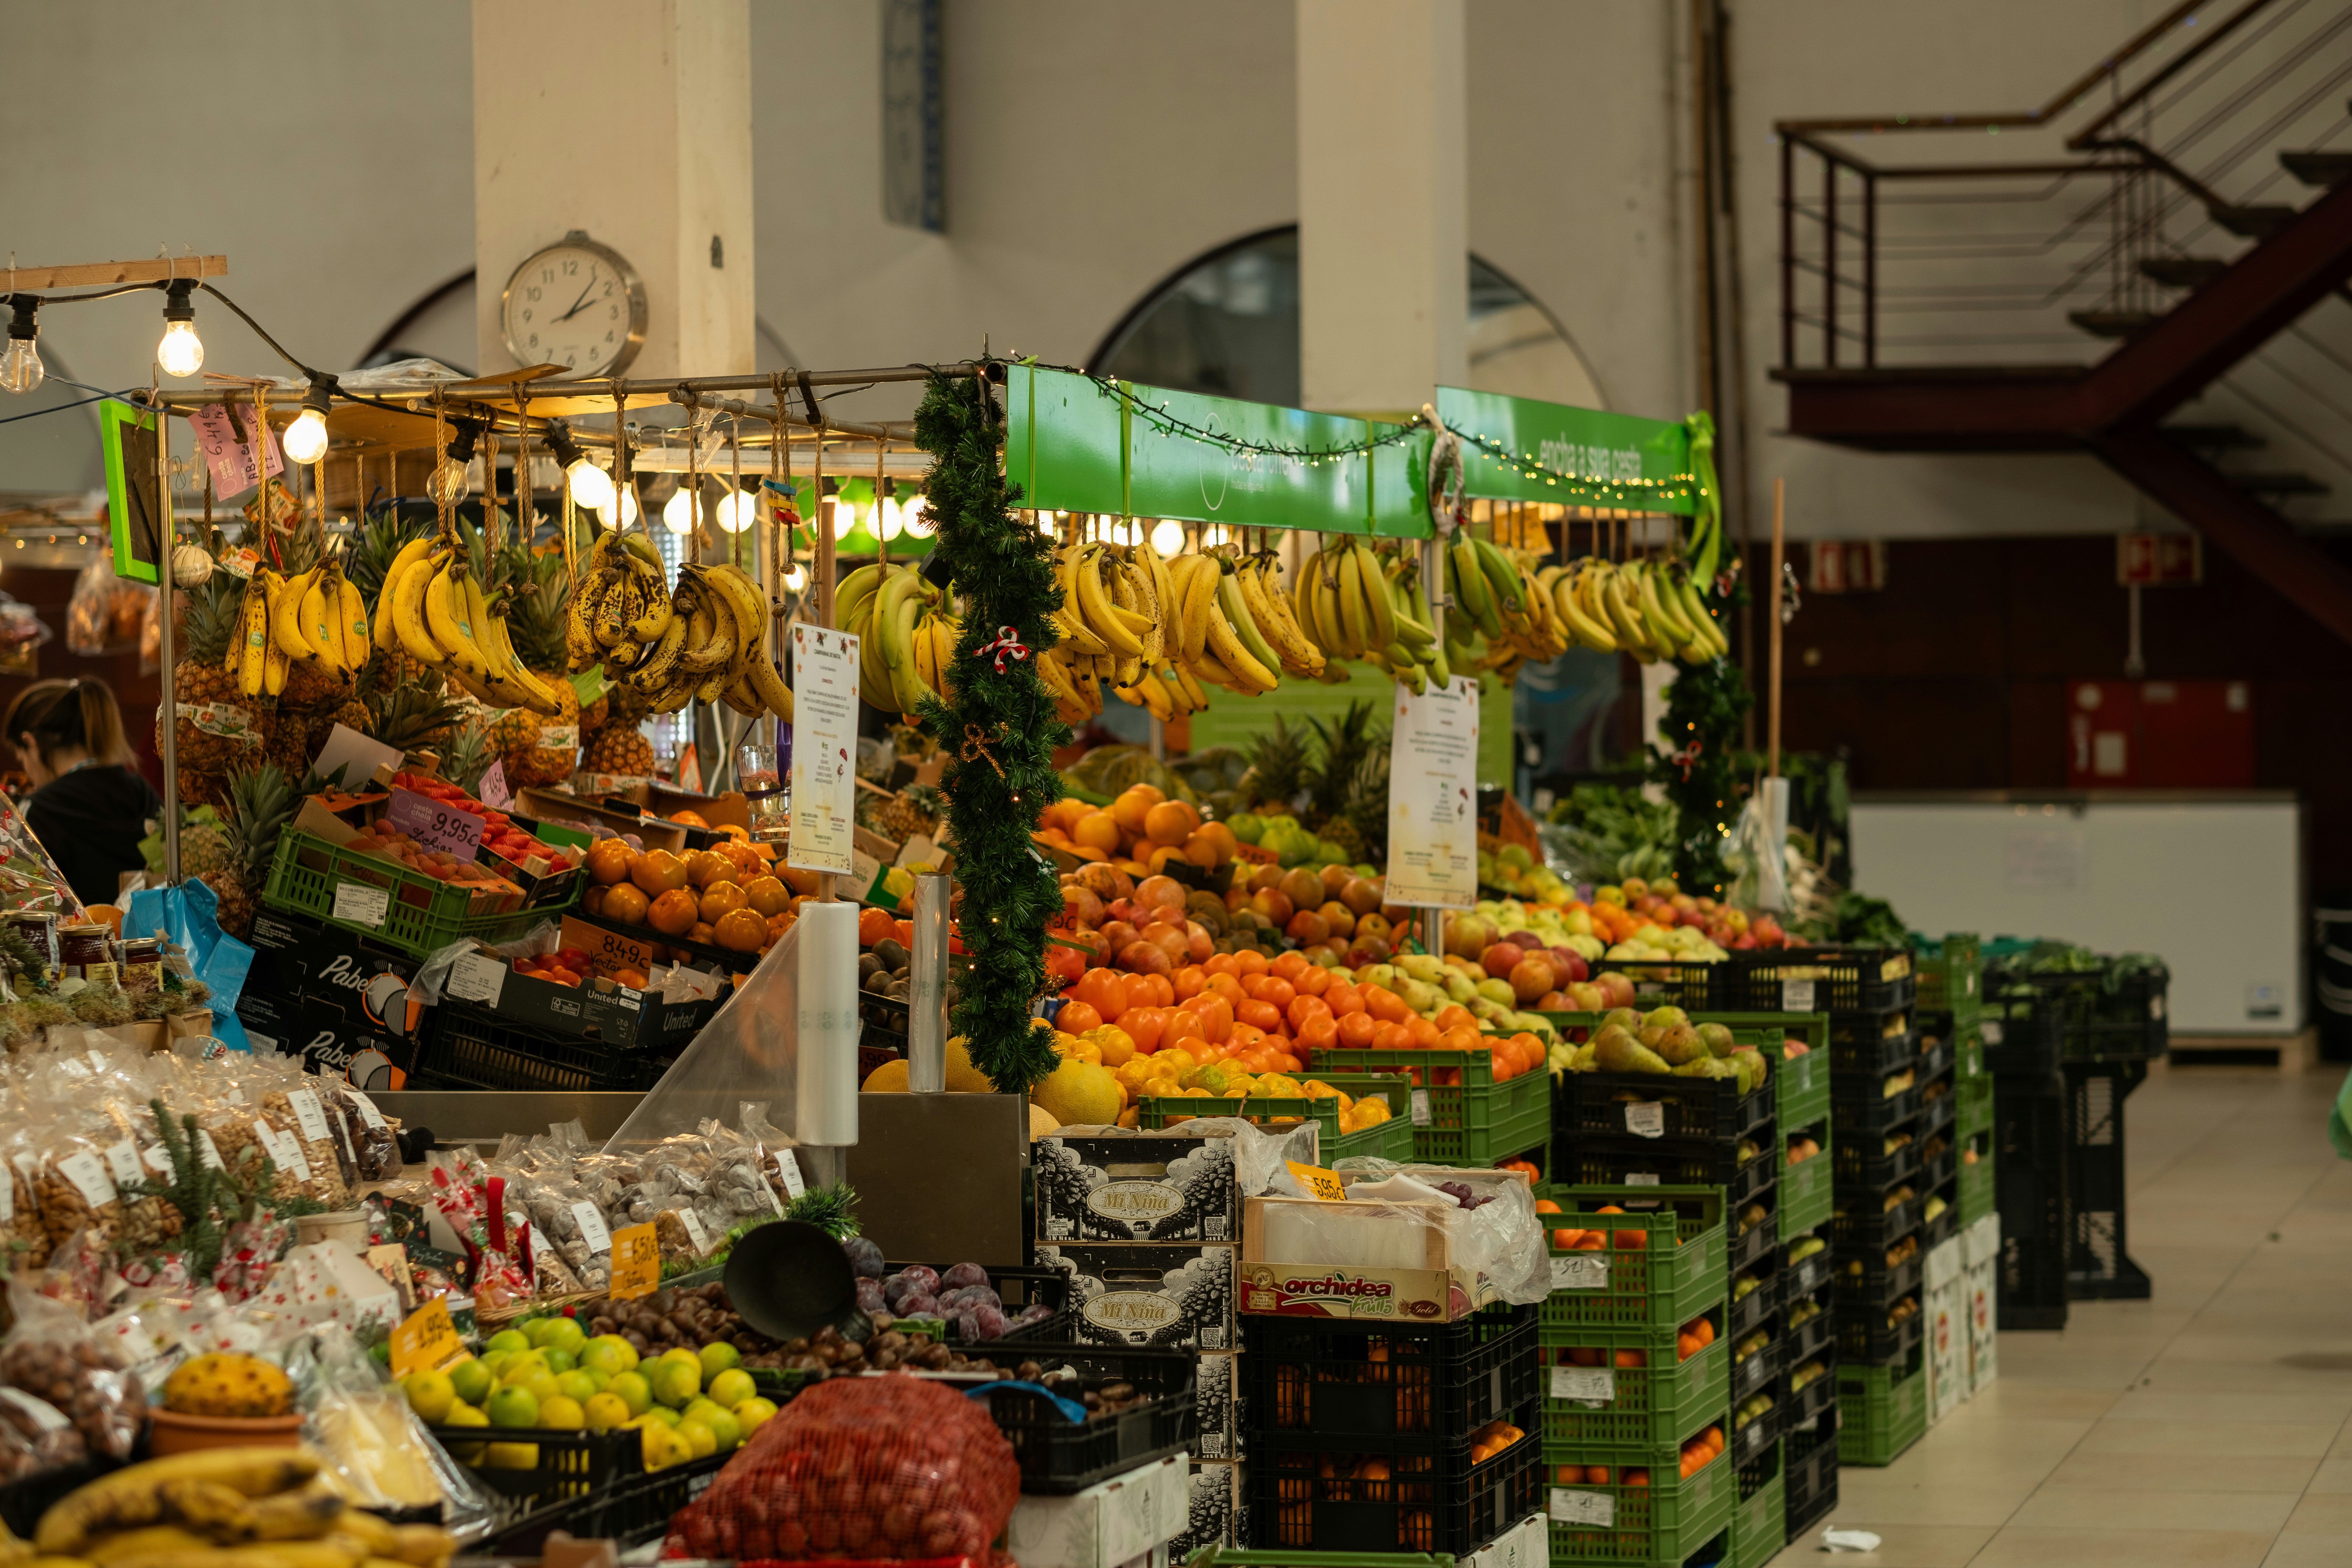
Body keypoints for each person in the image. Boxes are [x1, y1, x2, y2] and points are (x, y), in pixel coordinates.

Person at [5, 678, 160, 910]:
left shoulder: (36, 810)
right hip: (156, 932)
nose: (27, 772)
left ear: (31, 743)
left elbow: (21, 904)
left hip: (80, 934)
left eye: (22, 758)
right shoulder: (141, 790)